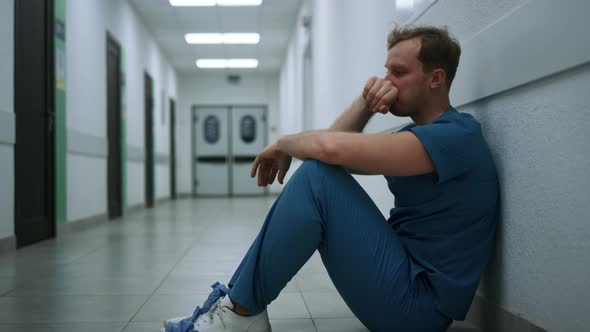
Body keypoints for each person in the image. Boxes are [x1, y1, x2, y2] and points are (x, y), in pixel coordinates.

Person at [163, 25, 500, 332]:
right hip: (403, 280)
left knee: (317, 178)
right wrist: (366, 105)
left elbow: (328, 150)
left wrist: (283, 143)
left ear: (435, 79)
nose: (385, 81)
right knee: (319, 174)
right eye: (385, 70)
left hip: (418, 310)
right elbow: (326, 154)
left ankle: (238, 315)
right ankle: (235, 308)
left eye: (398, 72)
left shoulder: (456, 137)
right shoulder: (419, 134)